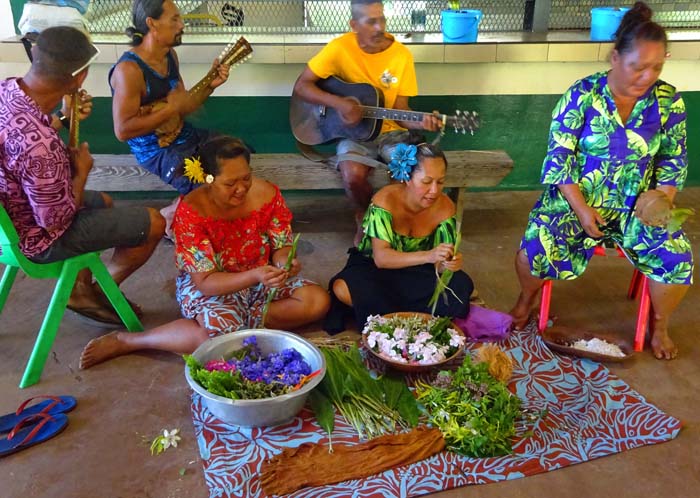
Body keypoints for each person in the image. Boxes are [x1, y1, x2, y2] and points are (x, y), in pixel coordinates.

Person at [509, 2, 692, 360]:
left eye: (656, 67)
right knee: (534, 249)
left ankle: (660, 323)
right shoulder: (583, 95)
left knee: (676, 256)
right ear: (614, 58)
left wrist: (662, 197)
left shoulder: (669, 102)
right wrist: (580, 209)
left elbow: (673, 158)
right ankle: (525, 301)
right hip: (575, 199)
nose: (647, 77)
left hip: (637, 208)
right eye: (637, 67)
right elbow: (558, 158)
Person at [80, 136, 330, 368]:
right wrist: (255, 276)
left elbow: (281, 244)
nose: (241, 189)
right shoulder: (192, 212)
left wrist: (284, 261)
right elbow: (206, 283)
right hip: (213, 286)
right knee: (216, 338)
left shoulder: (267, 194)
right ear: (208, 179)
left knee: (317, 301)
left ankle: (236, 327)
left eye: (246, 178)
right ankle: (131, 341)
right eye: (230, 183)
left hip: (261, 278)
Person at [0, 26, 165, 325]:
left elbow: (20, 139)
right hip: (35, 239)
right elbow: (56, 221)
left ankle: (81, 288)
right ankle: (94, 290)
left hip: (10, 219)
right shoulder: (41, 147)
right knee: (154, 222)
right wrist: (82, 174)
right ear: (79, 77)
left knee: (102, 201)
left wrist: (62, 118)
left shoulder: (7, 91)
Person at [292, 0, 442, 245]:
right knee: (352, 174)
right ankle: (363, 218)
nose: (379, 27)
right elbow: (302, 86)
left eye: (382, 19)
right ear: (354, 25)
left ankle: (397, 224)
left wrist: (422, 122)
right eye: (371, 21)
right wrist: (339, 104)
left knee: (409, 170)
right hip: (354, 135)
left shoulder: (401, 55)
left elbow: (400, 111)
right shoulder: (339, 48)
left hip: (392, 134)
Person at [324, 142, 474, 334]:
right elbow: (382, 259)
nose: (435, 191)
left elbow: (439, 263)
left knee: (461, 285)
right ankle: (413, 316)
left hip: (419, 272)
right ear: (407, 178)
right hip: (374, 268)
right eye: (427, 182)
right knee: (343, 289)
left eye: (441, 182)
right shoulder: (384, 201)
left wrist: (447, 263)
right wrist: (429, 255)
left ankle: (393, 316)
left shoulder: (445, 207)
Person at [109, 0, 231, 232]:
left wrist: (210, 85)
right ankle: (178, 223)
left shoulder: (170, 56)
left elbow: (182, 105)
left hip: (183, 135)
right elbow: (122, 130)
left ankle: (175, 213)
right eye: (174, 19)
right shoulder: (129, 70)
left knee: (234, 155)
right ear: (152, 24)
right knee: (209, 191)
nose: (181, 25)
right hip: (157, 151)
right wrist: (170, 109)